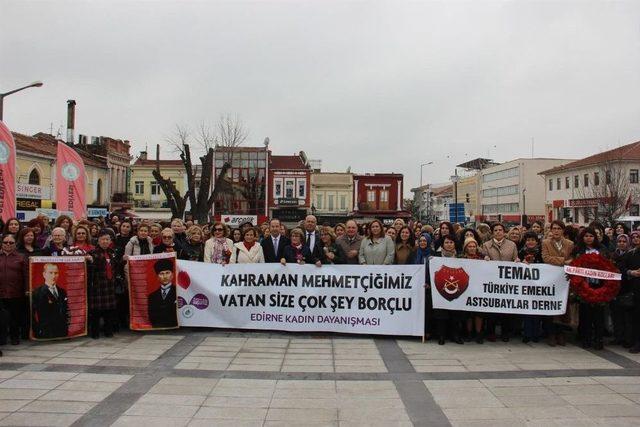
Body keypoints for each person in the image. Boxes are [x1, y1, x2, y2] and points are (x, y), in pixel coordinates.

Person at [481, 222, 519, 342]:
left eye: (500, 230)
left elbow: (515, 258)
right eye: (496, 230)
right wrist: (485, 259)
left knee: (505, 308)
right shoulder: (486, 245)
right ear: (492, 233)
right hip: (492, 281)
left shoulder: (512, 245)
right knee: (492, 307)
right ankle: (491, 332)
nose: (498, 232)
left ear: (504, 232)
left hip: (507, 282)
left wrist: (517, 261)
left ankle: (505, 332)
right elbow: (484, 258)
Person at [573, 227, 608, 350]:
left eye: (591, 236)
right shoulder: (578, 250)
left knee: (598, 315)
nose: (589, 238)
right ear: (582, 237)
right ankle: (586, 338)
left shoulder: (602, 249)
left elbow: (608, 265)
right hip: (584, 285)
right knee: (585, 314)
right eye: (586, 236)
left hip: (600, 285)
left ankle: (598, 339)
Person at [541, 220, 574, 347]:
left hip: (564, 279)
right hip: (550, 279)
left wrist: (565, 262)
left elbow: (572, 259)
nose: (556, 231)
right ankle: (551, 334)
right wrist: (563, 261)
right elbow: (546, 258)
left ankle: (561, 333)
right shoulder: (545, 243)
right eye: (554, 228)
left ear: (563, 230)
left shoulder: (570, 244)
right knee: (551, 306)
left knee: (563, 307)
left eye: (559, 229)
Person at [433, 234, 463, 345]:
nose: (449, 245)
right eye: (446, 242)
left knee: (455, 314)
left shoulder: (460, 256)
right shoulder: (435, 256)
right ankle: (441, 335)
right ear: (442, 244)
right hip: (440, 288)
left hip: (456, 288)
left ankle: (455, 335)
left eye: (451, 242)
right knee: (441, 314)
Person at [87, 231, 117, 339]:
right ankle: (95, 333)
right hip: (97, 286)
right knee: (96, 312)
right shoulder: (92, 253)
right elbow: (90, 269)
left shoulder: (113, 252)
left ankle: (108, 331)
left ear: (110, 241)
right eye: (102, 239)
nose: (105, 241)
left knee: (109, 311)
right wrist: (90, 261)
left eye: (107, 239)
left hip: (109, 285)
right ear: (98, 241)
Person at [0, 234, 27, 345]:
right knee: (1, 319)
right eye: (6, 242)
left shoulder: (21, 257)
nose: (8, 244)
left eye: (11, 242)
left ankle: (14, 337)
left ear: (15, 244)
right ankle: (2, 339)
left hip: (16, 292)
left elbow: (26, 275)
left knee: (15, 317)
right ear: (1, 243)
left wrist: (27, 289)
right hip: (0, 293)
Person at [31, 263, 69, 339]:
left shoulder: (62, 291)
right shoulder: (37, 292)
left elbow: (66, 310)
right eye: (50, 273)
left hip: (62, 332)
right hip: (46, 332)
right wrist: (37, 330)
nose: (53, 276)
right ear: (44, 274)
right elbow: (32, 314)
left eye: (56, 273)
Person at [519, 231, 544, 343]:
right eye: (528, 240)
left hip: (539, 286)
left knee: (536, 310)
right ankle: (527, 334)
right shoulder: (521, 252)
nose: (530, 242)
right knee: (527, 311)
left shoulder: (541, 253)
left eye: (533, 240)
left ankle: (536, 333)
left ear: (536, 241)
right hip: (525, 286)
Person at [611, 234, 633, 348]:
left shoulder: (631, 254)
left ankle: (627, 338)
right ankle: (618, 336)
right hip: (615, 288)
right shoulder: (613, 255)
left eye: (624, 241)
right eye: (620, 241)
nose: (622, 243)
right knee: (616, 315)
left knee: (627, 316)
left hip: (627, 287)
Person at [461, 237, 484, 343]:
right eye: (469, 246)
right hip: (465, 289)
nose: (472, 248)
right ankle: (469, 333)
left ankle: (478, 334)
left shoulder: (481, 259)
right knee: (468, 314)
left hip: (478, 289)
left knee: (478, 313)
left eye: (474, 246)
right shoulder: (461, 259)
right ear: (466, 248)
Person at [148, 258, 178, 328]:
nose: (165, 276)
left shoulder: (179, 292)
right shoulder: (152, 296)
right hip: (158, 326)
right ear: (157, 277)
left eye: (167, 273)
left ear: (172, 275)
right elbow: (152, 316)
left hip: (174, 326)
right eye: (161, 274)